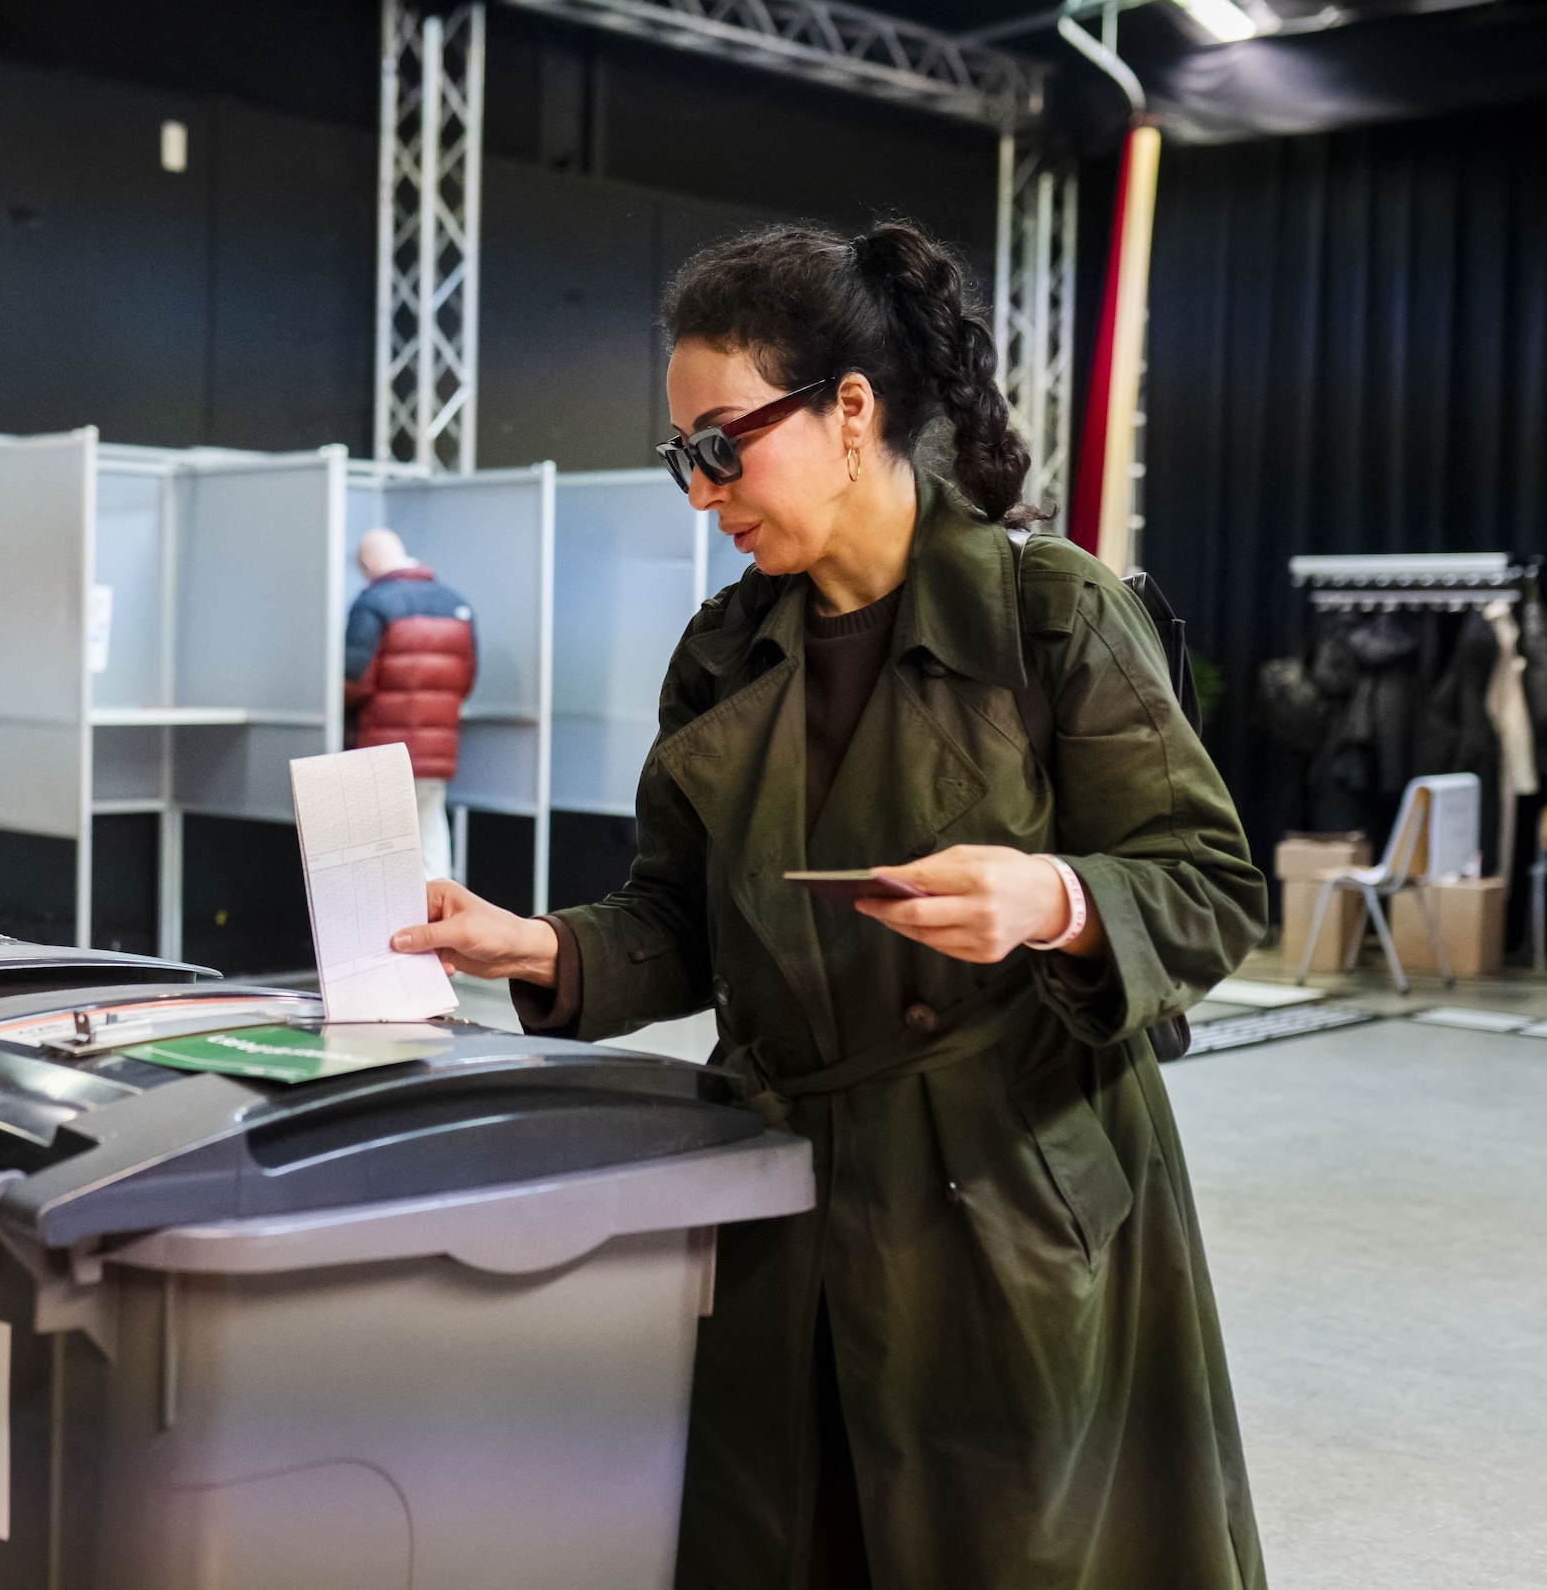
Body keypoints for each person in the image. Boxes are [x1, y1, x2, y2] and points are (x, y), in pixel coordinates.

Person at [394, 221, 1269, 1590]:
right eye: (686, 456)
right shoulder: (727, 652)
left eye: (723, 444)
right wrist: (545, 944)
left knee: (1011, 1547)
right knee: (788, 1538)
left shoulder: (1052, 615)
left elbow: (1209, 886)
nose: (702, 493)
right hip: (787, 1203)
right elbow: (682, 920)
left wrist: (1054, 898)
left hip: (1008, 1204)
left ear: (850, 409)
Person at [345, 527, 477, 880]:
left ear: (371, 561)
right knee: (431, 839)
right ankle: (437, 927)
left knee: (379, 850)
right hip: (435, 752)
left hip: (381, 749)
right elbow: (465, 680)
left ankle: (386, 932)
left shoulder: (372, 603)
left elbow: (353, 681)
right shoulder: (454, 602)